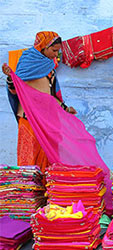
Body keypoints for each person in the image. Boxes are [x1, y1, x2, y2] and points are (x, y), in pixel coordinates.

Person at [2, 31, 76, 174]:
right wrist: (11, 78)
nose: (56, 55)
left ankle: (47, 193)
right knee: (29, 158)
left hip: (48, 119)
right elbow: (16, 89)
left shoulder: (49, 67)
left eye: (58, 51)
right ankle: (29, 194)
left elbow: (51, 95)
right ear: (43, 46)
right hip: (29, 119)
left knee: (49, 157)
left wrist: (65, 109)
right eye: (54, 50)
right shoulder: (27, 63)